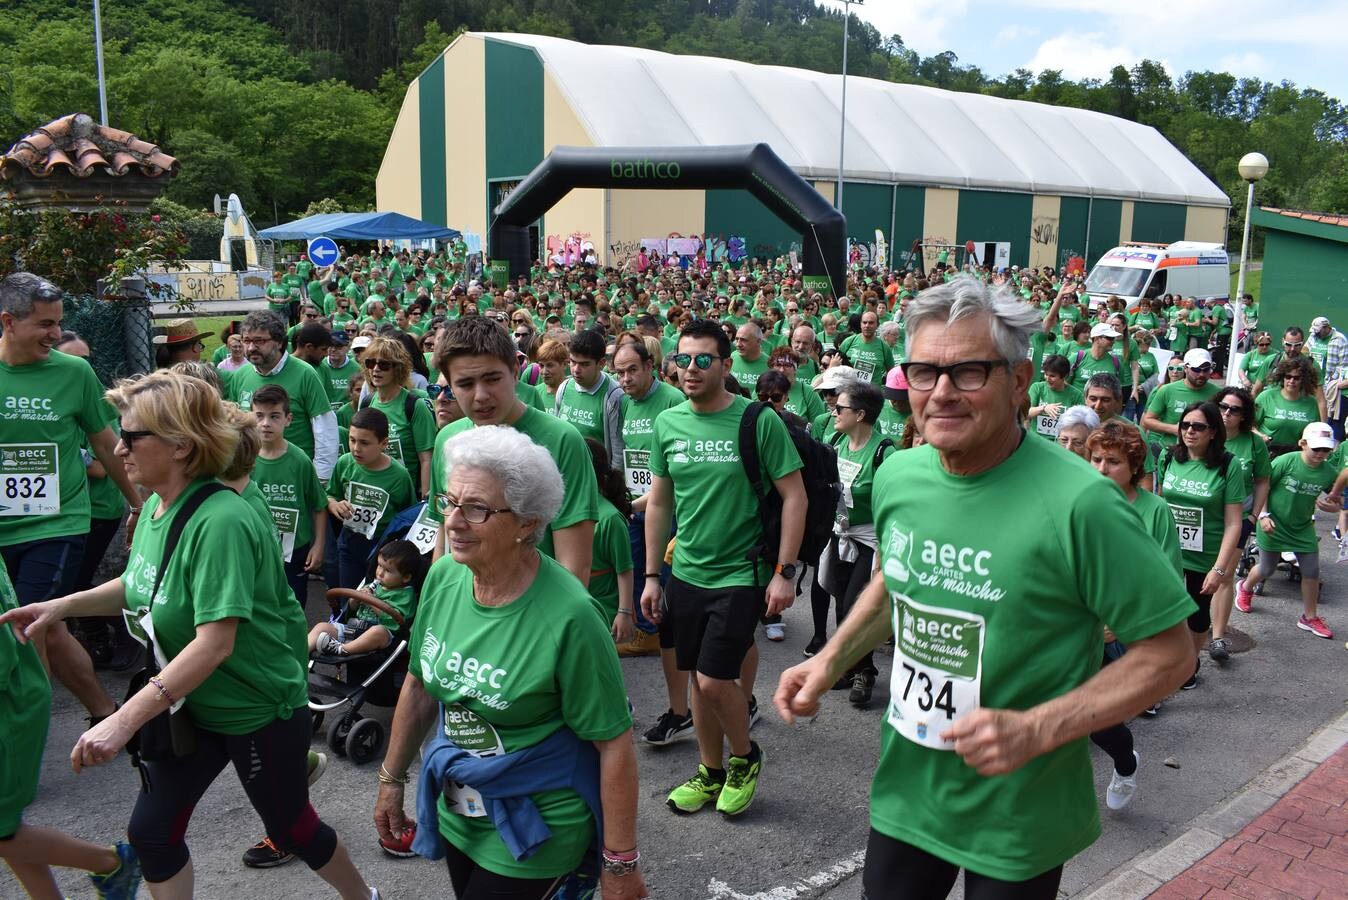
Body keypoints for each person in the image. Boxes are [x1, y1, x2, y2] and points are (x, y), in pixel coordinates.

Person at [775, 279, 1194, 898]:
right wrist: (832, 659)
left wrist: (1038, 728)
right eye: (924, 371)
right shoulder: (900, 476)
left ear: (1019, 381)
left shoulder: (1085, 504)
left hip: (1018, 809)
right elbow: (898, 576)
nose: (941, 392)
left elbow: (1171, 654)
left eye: (969, 371)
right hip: (909, 789)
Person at [0, 371, 377, 898]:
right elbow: (139, 585)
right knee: (151, 835)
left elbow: (214, 643)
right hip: (190, 703)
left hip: (257, 707)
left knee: (292, 828)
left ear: (180, 446)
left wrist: (121, 721)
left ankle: (364, 896)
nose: (117, 446)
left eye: (131, 436)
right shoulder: (156, 505)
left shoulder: (221, 520)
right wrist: (59, 606)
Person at [373, 426, 647, 900]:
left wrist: (620, 864)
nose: (454, 522)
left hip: (539, 822)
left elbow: (614, 744)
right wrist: (391, 779)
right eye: (449, 501)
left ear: (525, 523)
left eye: (476, 508)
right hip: (460, 807)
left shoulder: (572, 616)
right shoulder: (443, 576)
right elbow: (419, 686)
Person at [640, 318, 805, 817]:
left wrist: (785, 570)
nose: (690, 368)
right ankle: (709, 771)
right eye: (683, 359)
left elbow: (794, 496)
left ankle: (745, 757)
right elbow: (659, 504)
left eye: (703, 359)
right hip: (685, 571)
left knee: (714, 680)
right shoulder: (668, 423)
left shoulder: (758, 420)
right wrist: (652, 575)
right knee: (694, 678)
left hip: (742, 573)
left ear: (726, 365)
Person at [0, 273, 140, 724]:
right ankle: (104, 710)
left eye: (58, 323)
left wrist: (139, 504)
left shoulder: (73, 372)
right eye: (45, 325)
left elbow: (106, 443)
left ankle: (24, 740)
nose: (56, 334)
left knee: (28, 624)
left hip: (55, 523)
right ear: (8, 322)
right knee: (52, 627)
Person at [0, 558, 143, 899]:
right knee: (7, 828)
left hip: (10, 708)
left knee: (5, 832)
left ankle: (110, 862)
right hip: (17, 697)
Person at [428, 317, 599, 585]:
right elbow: (444, 532)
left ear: (515, 372)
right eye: (465, 384)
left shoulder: (563, 441)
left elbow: (574, 566)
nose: (481, 395)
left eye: (492, 378)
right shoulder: (448, 439)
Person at [1084, 421, 1178, 805]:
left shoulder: (1155, 512)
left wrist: (1119, 626)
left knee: (1098, 722)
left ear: (1135, 466)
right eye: (1096, 459)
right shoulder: (1079, 501)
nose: (1102, 469)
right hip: (1073, 628)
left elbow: (1165, 582)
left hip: (1120, 636)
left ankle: (1126, 763)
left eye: (1114, 462)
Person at [1156, 401, 1246, 686]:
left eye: (1198, 426)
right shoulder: (1169, 457)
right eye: (1185, 425)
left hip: (1204, 555)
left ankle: (1189, 664)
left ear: (1212, 432)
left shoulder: (1228, 465)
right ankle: (1162, 664)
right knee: (1163, 612)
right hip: (1167, 551)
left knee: (1196, 614)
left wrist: (1219, 570)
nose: (1189, 431)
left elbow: (1234, 522)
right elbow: (1158, 503)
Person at [820, 380, 896, 707]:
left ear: (860, 414)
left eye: (840, 408)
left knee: (855, 604)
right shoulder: (836, 441)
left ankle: (865, 671)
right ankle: (851, 667)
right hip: (841, 534)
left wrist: (884, 552)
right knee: (840, 601)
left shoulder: (884, 451)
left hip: (871, 538)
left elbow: (894, 504)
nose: (833, 411)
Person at [1237, 422, 1348, 640]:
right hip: (1273, 524)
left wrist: (1333, 506)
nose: (1321, 454)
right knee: (1267, 569)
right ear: (1303, 444)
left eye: (1325, 449)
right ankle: (1246, 587)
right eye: (1316, 448)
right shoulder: (1285, 461)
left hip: (1302, 527)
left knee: (1312, 571)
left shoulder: (1328, 471)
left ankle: (1309, 616)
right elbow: (1263, 487)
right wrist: (1263, 516)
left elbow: (1336, 499)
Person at [612, 338, 684, 666]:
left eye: (632, 371)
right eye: (619, 372)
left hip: (664, 505)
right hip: (632, 504)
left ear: (649, 368)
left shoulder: (673, 400)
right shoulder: (622, 403)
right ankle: (647, 632)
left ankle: (668, 631)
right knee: (637, 566)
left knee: (663, 572)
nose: (625, 379)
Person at [228, 311, 338, 481]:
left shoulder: (305, 374)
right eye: (246, 340)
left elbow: (325, 429)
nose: (250, 348)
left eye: (259, 341)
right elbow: (236, 429)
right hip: (253, 474)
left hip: (297, 474)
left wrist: (321, 478)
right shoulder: (240, 375)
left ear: (279, 342)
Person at [1207, 386, 1271, 660]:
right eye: (1223, 406)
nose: (1227, 413)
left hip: (1238, 519)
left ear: (1244, 415)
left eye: (1235, 409)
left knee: (1224, 576)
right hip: (1202, 517)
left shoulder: (1254, 443)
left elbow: (1262, 480)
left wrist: (1255, 516)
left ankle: (1218, 637)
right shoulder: (1203, 434)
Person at [251, 385, 328, 607]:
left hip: (294, 551)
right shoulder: (245, 459)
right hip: (257, 547)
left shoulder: (300, 460)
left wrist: (318, 545)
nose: (265, 423)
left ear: (288, 419)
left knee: (293, 606)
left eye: (274, 416)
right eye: (259, 416)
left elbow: (319, 505)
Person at [327, 408, 417, 590]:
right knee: (349, 596)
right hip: (349, 543)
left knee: (372, 601)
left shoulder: (399, 476)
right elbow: (330, 495)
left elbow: (409, 516)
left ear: (384, 443)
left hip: (382, 549)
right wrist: (335, 504)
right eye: (352, 440)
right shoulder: (344, 463)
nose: (356, 448)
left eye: (364, 443)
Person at [357, 335, 437, 497]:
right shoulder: (367, 402)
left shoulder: (415, 405)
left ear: (398, 369)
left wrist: (423, 498)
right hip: (374, 492)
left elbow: (426, 459)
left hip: (405, 494)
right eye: (371, 363)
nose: (376, 369)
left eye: (384, 365)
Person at [311, 539, 419, 656]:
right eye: (379, 566)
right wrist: (355, 599)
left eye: (387, 570)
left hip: (382, 638)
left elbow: (396, 622)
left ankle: (342, 649)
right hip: (353, 628)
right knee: (322, 627)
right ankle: (299, 654)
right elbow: (350, 613)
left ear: (406, 577)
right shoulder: (371, 586)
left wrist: (371, 601)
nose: (380, 573)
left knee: (378, 632)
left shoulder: (405, 595)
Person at [581, 438, 637, 645]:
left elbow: (624, 570)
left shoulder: (610, 519)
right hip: (576, 606)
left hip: (602, 610)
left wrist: (624, 613)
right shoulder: (562, 509)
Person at [553, 329, 625, 470]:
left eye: (584, 364)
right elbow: (557, 434)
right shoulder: (564, 388)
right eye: (573, 362)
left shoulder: (614, 396)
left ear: (601, 363)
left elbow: (618, 453)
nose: (576, 370)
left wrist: (612, 486)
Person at [1141, 347, 1220, 455]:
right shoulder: (1167, 390)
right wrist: (1173, 429)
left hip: (1203, 454)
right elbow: (1147, 420)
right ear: (1186, 368)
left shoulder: (1218, 393)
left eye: (1206, 369)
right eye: (1196, 369)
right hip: (1171, 451)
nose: (1201, 374)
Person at [1253, 355, 1321, 457]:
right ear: (1282, 377)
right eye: (1288, 376)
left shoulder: (1311, 402)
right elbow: (1248, 424)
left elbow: (1314, 432)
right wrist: (1260, 436)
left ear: (1303, 380)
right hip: (1267, 450)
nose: (1291, 381)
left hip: (1296, 453)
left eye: (1296, 378)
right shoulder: (1266, 397)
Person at [1026, 354, 1082, 439]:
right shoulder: (1037, 387)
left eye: (1052, 376)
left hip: (1061, 444)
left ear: (1065, 376)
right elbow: (1026, 413)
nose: (1047, 378)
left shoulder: (1076, 395)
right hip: (1037, 440)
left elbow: (1081, 422)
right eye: (1045, 374)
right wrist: (1043, 408)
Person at [838, 311, 894, 385]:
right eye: (864, 322)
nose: (867, 326)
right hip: (851, 392)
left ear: (877, 325)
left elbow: (891, 372)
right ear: (860, 324)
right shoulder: (849, 342)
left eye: (871, 323)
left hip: (873, 394)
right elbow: (837, 364)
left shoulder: (884, 347)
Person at [320, 330, 360, 410]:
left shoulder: (357, 369)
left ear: (348, 348)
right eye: (330, 345)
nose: (333, 349)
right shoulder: (320, 366)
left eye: (338, 346)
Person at [729, 322, 770, 392]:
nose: (738, 344)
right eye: (737, 339)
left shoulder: (769, 364)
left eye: (743, 340)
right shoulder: (732, 357)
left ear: (758, 341)